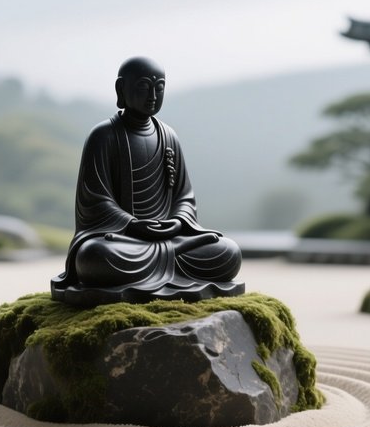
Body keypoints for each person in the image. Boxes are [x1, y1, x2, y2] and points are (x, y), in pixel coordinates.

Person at [51, 56, 243, 305]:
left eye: (159, 87)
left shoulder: (169, 136)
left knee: (227, 251)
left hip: (168, 238)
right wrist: (132, 225)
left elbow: (184, 196)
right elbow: (95, 201)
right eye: (143, 86)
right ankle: (165, 263)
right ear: (121, 89)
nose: (153, 95)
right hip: (125, 240)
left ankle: (163, 262)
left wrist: (177, 221)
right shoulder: (104, 136)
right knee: (94, 256)